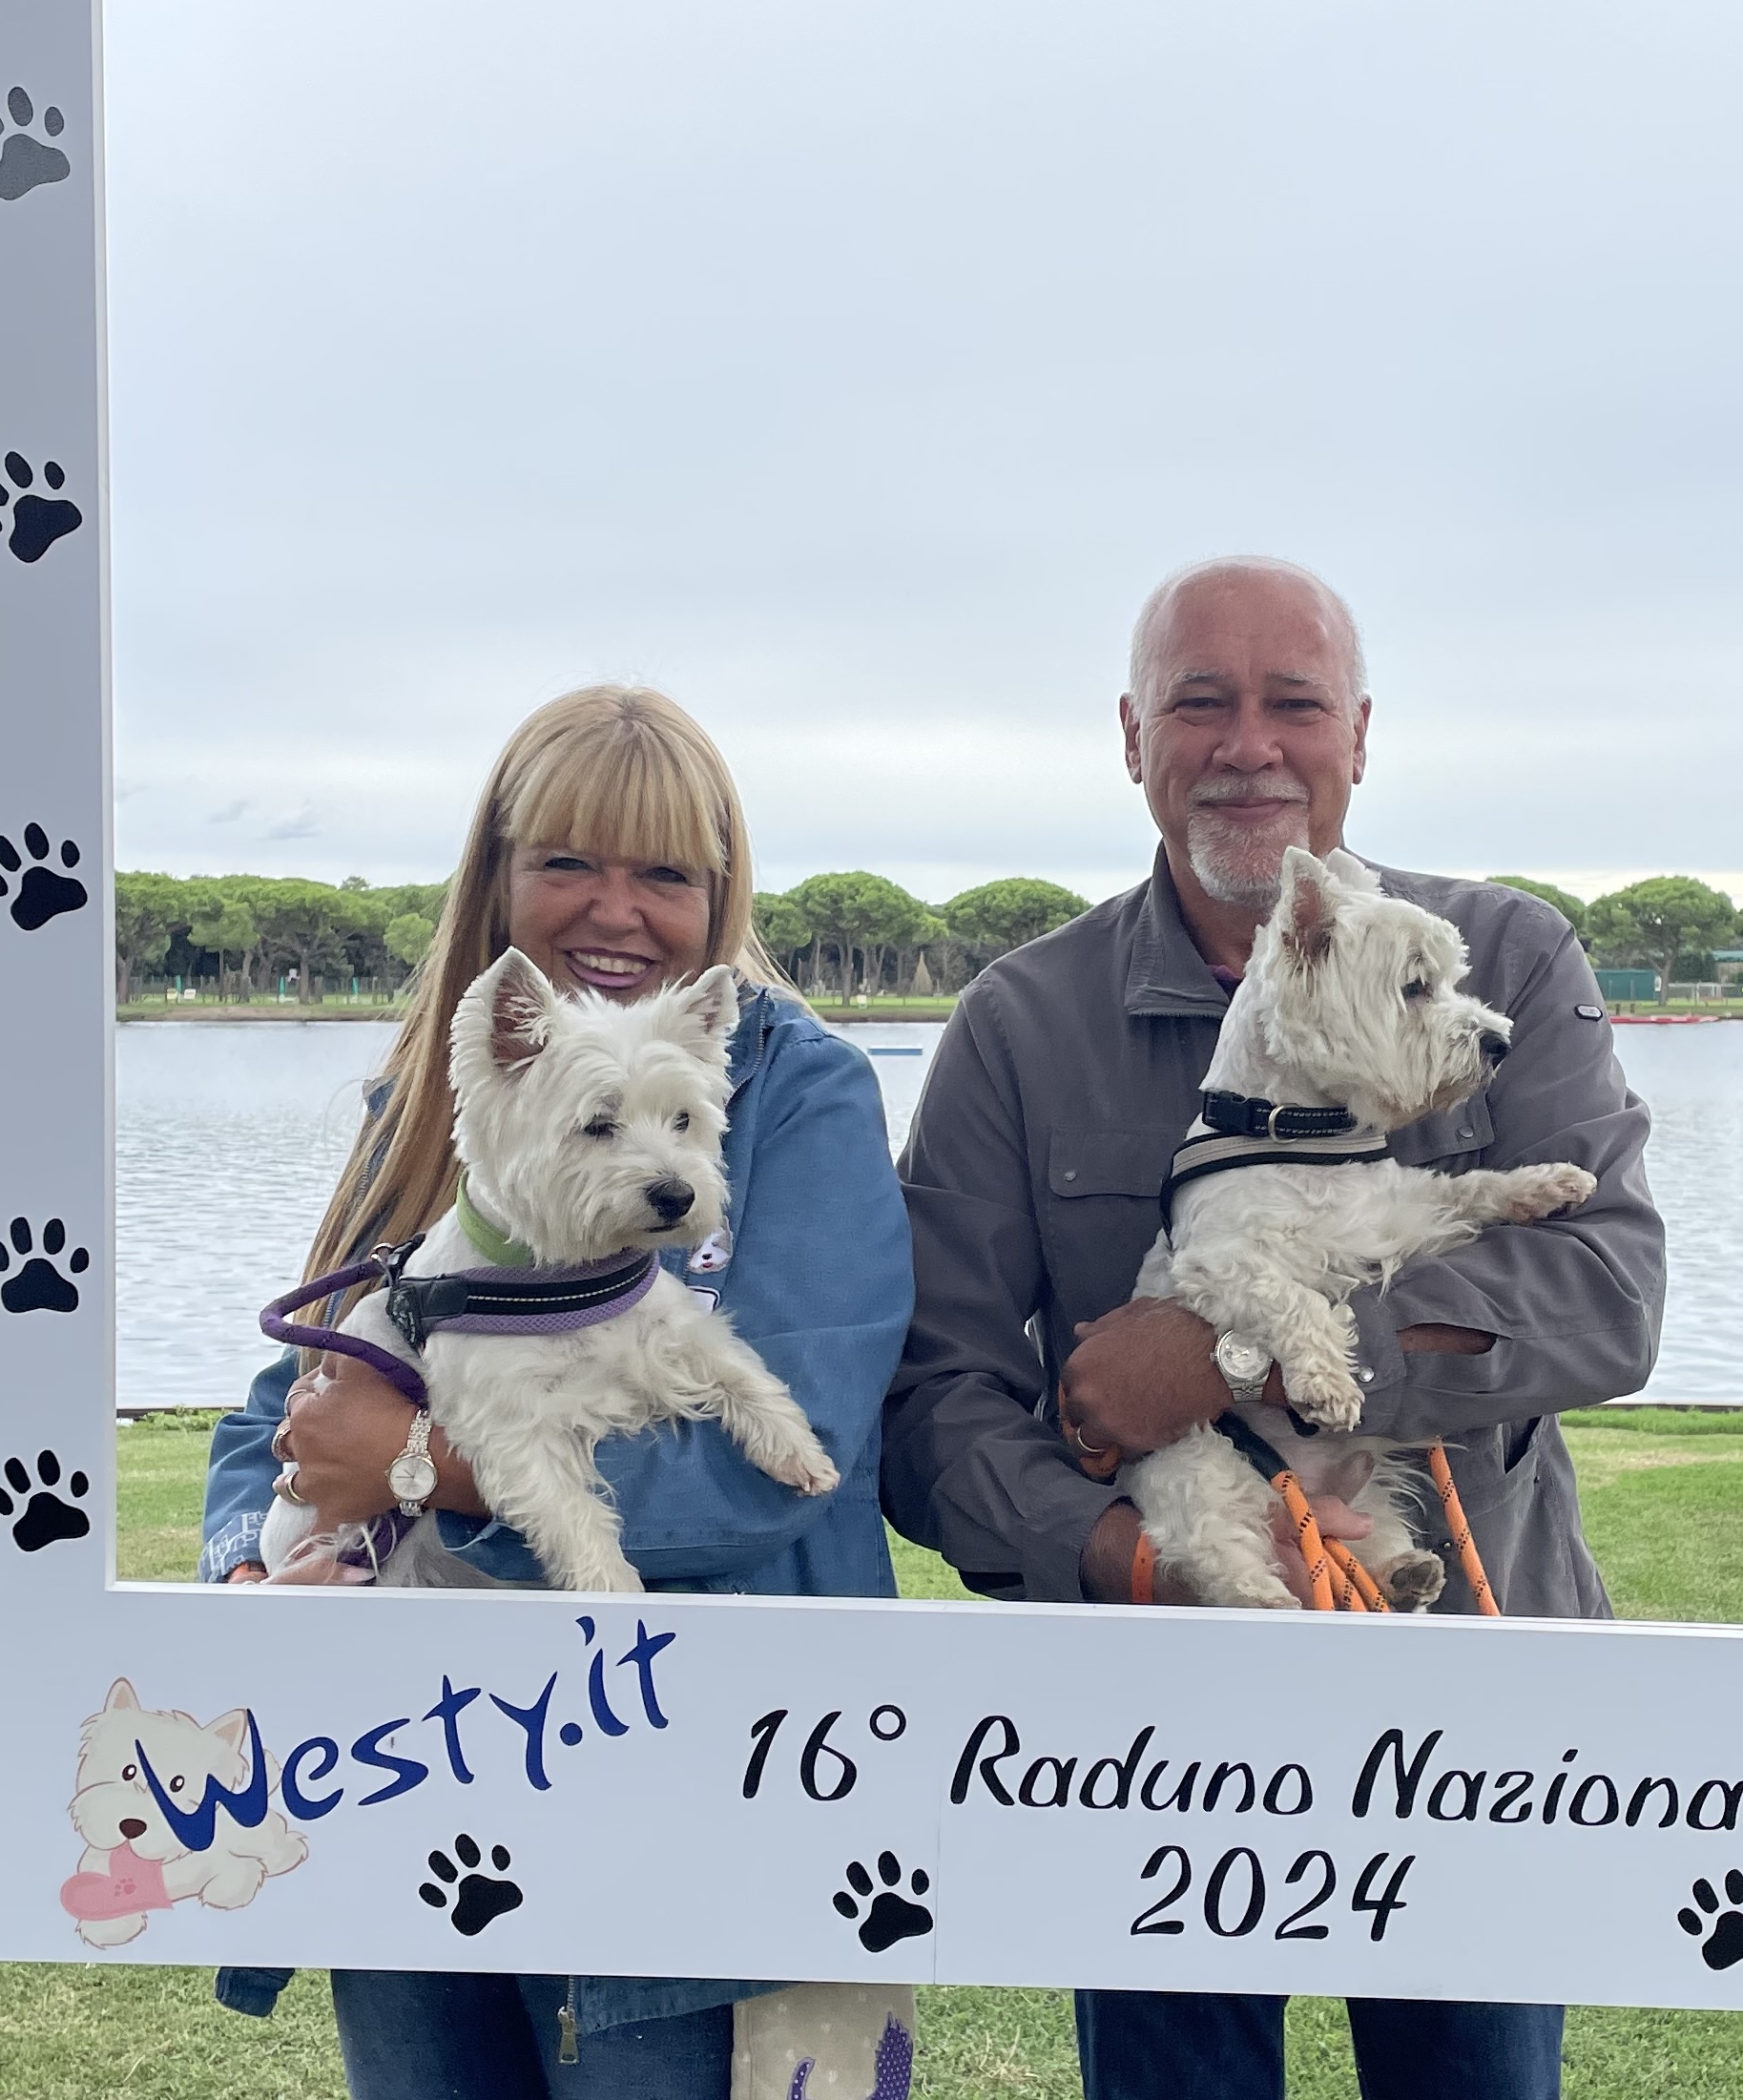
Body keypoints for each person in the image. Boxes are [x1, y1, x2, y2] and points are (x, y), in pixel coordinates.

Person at [882, 556, 1666, 2100]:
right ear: (1130, 737)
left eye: (1291, 702)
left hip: (1477, 1702)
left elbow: (1611, 1292)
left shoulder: (1507, 958)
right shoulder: (1016, 1023)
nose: (1247, 743)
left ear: (1358, 735)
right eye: (1199, 702)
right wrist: (1122, 1558)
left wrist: (1233, 1354)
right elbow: (929, 1406)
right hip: (1151, 1726)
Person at [198, 686, 915, 2100]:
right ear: (500, 875)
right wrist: (252, 1567)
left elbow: (783, 1459)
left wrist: (418, 1465)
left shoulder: (804, 1092)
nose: (615, 907)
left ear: (721, 892)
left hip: (715, 1771)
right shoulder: (442, 1093)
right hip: (409, 1754)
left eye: (664, 872)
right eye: (568, 861)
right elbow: (284, 1405)